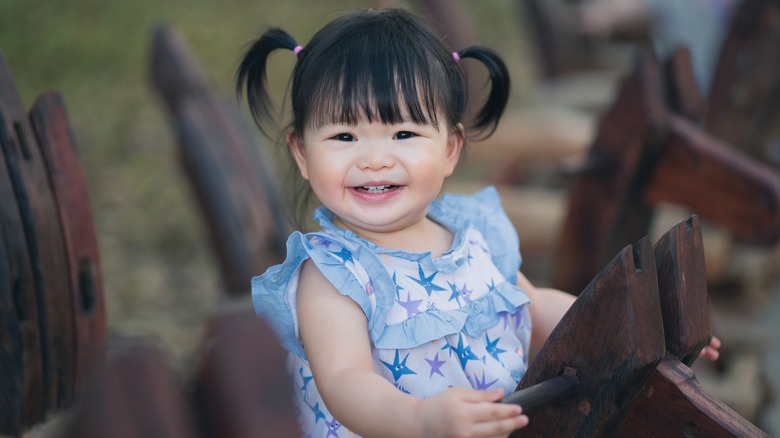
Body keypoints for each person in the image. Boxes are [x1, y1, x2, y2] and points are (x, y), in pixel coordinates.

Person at [238, 8, 720, 437]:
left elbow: (533, 306)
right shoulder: (331, 275)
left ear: (449, 148)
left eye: (404, 132)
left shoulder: (473, 234)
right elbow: (346, 381)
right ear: (302, 152)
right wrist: (420, 421)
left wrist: (642, 331)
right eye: (344, 135)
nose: (375, 159)